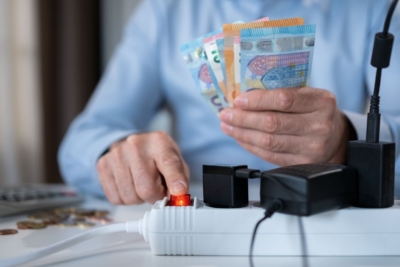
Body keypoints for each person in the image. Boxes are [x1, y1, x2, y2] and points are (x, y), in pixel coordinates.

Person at [58, 0, 400, 205]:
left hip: (327, 215)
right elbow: (82, 141)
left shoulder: (377, 8)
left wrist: (348, 141)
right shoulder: (164, 10)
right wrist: (117, 154)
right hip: (197, 218)